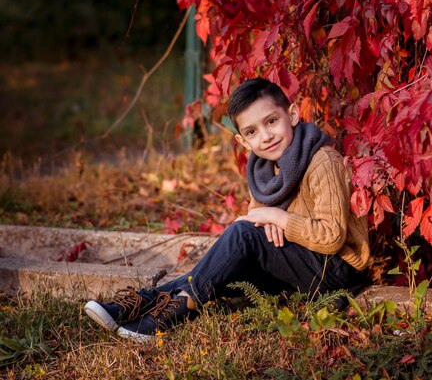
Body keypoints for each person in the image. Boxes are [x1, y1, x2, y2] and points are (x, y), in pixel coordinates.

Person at [84, 78, 371, 342]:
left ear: (293, 115)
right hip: (298, 260)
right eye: (252, 131)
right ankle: (147, 301)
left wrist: (277, 217)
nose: (266, 136)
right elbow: (257, 221)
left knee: (241, 235)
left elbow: (332, 236)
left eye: (272, 121)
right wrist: (267, 223)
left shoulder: (322, 161)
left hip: (336, 271)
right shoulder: (264, 169)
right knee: (229, 260)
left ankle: (177, 311)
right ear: (242, 141)